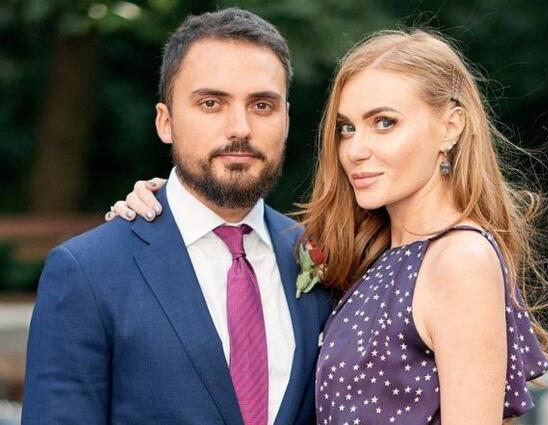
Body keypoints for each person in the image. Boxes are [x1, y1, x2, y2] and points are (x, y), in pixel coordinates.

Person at [109, 30, 548, 425]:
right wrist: (169, 207)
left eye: (384, 123)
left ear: (451, 126)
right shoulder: (376, 256)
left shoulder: (459, 259)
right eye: (347, 128)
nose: (356, 150)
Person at [22, 9, 332, 425]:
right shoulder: (88, 272)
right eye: (211, 103)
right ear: (165, 122)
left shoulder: (321, 258)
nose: (240, 128)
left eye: (262, 105)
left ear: (286, 120)